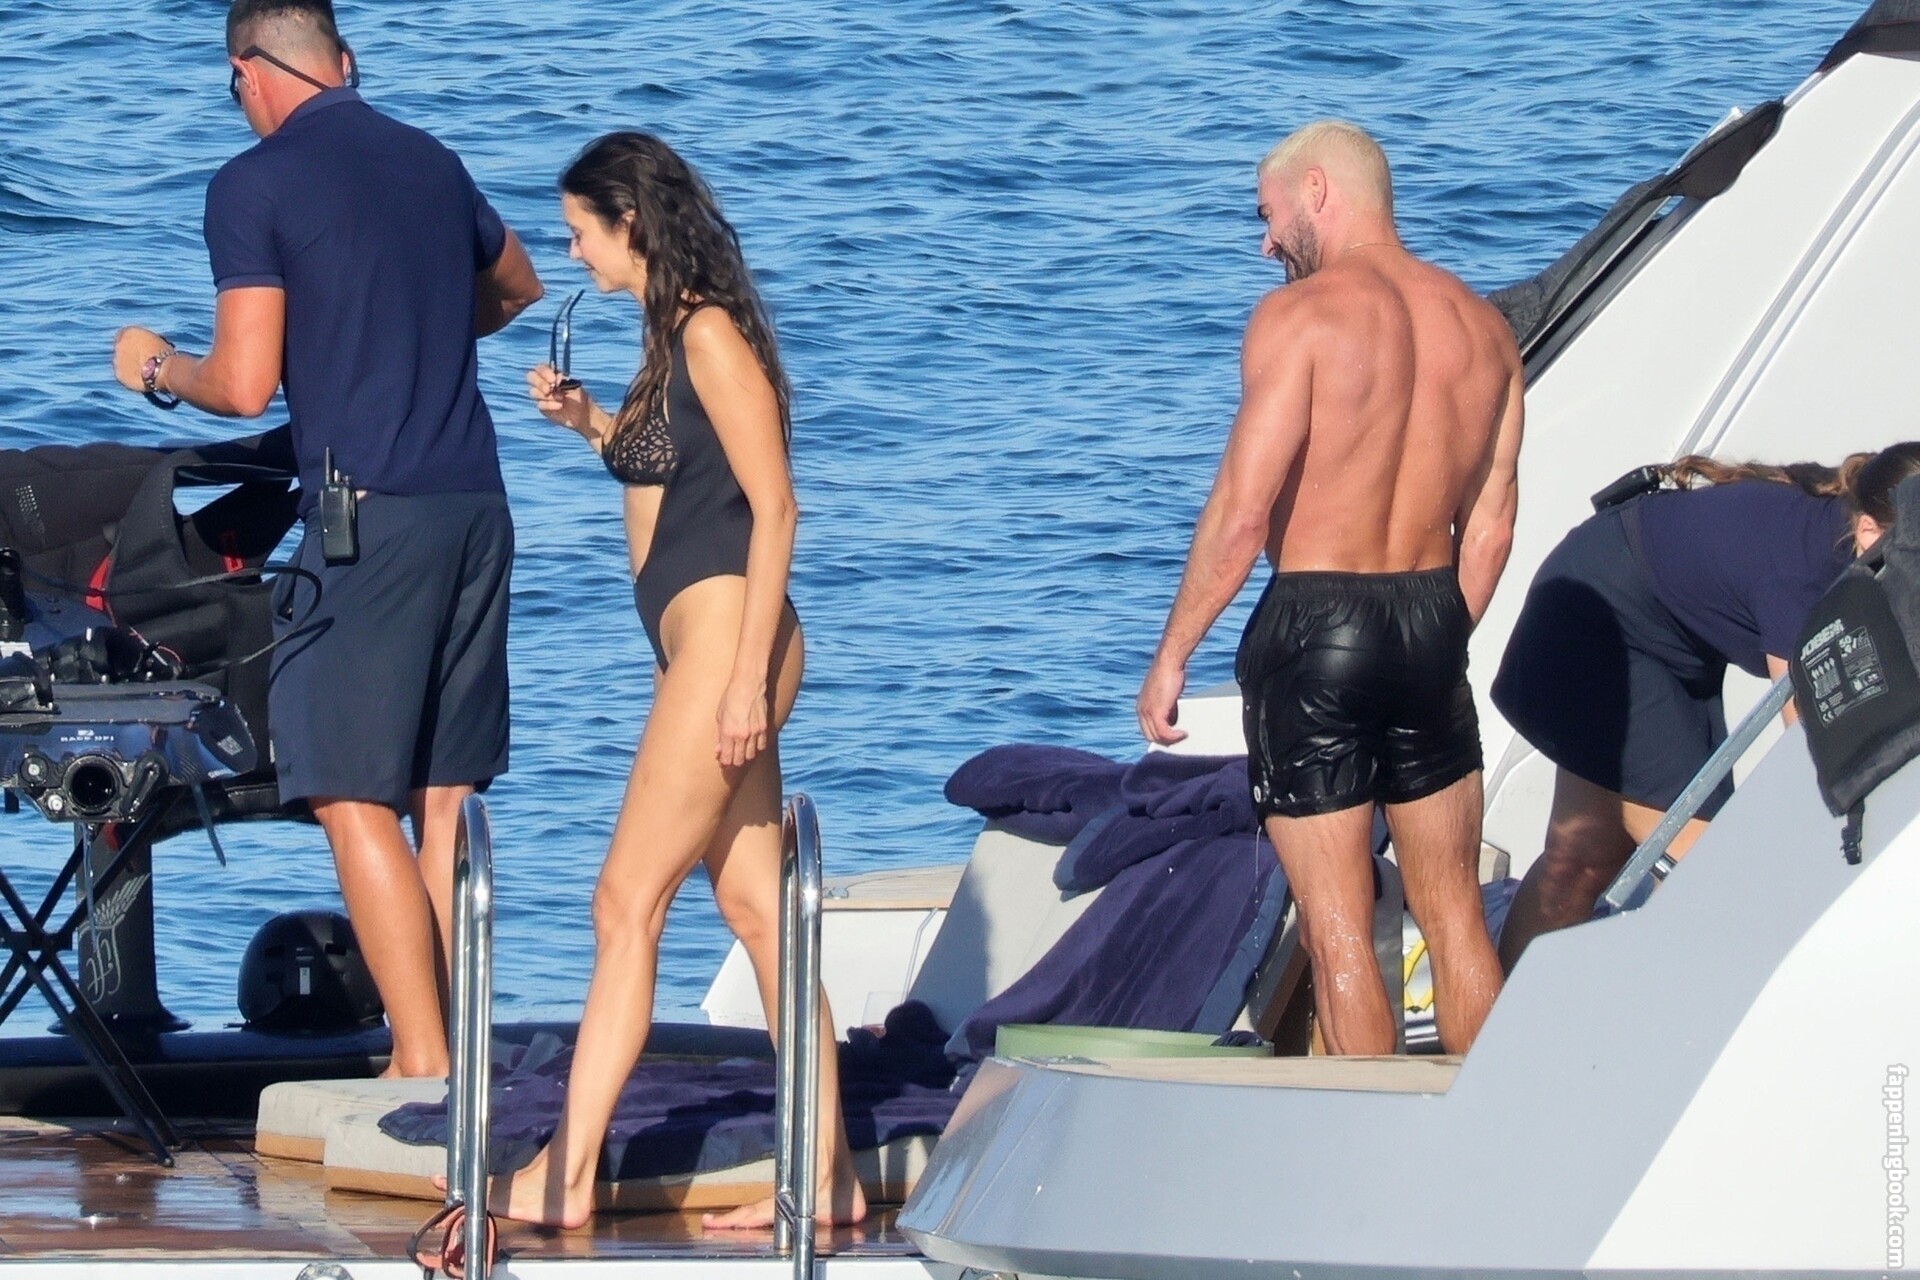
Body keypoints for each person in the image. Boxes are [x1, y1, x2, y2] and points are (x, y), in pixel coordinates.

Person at [110, 0, 543, 1078]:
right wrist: (409, 321)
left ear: (251, 71)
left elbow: (243, 381)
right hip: (475, 505)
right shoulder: (432, 159)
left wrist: (157, 366)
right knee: (445, 793)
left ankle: (423, 1065)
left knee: (348, 790)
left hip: (367, 520)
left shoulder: (252, 184)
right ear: (342, 63)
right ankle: (454, 1058)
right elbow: (517, 286)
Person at [486, 132, 861, 1230]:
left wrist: (743, 681)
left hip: (730, 645)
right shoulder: (670, 337)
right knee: (756, 909)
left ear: (630, 223)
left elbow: (776, 506)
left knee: (623, 903)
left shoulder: (707, 333)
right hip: (709, 648)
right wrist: (589, 424)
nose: (572, 253)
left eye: (580, 232)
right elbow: (674, 475)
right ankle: (828, 1177)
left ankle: (564, 1176)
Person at [1137, 120, 1524, 1057]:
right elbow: (1491, 530)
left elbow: (1241, 512)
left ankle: (1371, 1136)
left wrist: (1173, 654)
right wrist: (1434, 639)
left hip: (1316, 623)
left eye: (1268, 215)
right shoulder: (1484, 329)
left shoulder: (1299, 319)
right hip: (1430, 617)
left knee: (1339, 928)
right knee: (1455, 914)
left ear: (1318, 190)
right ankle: (1491, 1123)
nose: (1267, 243)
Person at [1492, 443, 1920, 971]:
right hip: (1595, 620)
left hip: (1641, 618)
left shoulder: (1848, 535)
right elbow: (1811, 746)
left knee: (1580, 860)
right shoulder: (1804, 576)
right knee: (1715, 876)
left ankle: (1507, 1015)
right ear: (1871, 533)